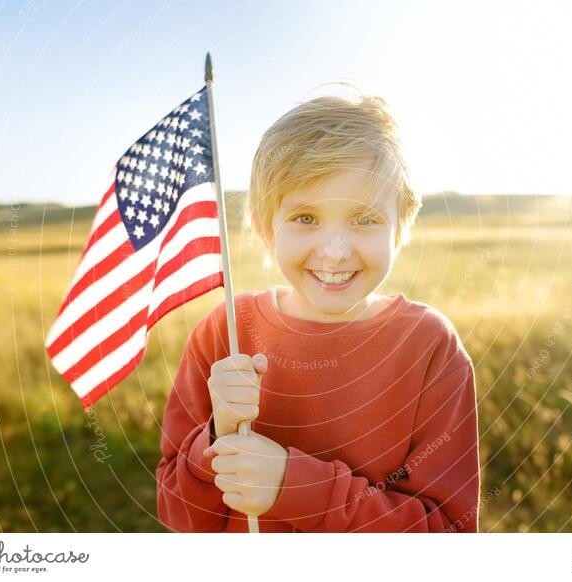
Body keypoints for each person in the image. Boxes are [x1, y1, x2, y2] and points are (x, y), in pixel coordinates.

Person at [156, 90, 480, 532]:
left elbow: (449, 532)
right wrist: (218, 438)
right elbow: (179, 515)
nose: (333, 251)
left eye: (364, 219)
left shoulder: (428, 346)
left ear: (401, 224)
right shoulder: (226, 331)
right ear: (266, 225)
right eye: (305, 218)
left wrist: (293, 487)